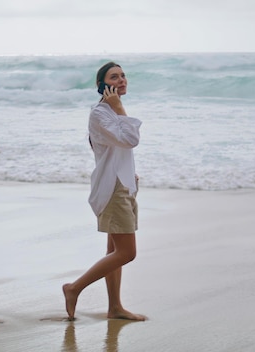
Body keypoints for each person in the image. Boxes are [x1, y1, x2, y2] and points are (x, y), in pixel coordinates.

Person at [62, 62, 146, 321]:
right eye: (114, 77)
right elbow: (131, 139)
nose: (122, 80)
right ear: (102, 85)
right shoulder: (100, 114)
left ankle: (115, 308)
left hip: (124, 185)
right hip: (113, 189)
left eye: (123, 75)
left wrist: (131, 176)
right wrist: (120, 108)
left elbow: (119, 149)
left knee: (114, 252)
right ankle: (74, 288)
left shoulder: (109, 113)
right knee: (126, 253)